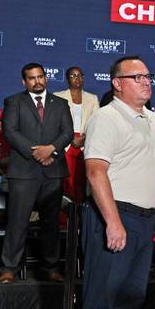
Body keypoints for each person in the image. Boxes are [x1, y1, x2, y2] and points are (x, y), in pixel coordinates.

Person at [79, 56, 155, 309]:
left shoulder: (151, 118)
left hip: (146, 221)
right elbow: (96, 172)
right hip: (115, 217)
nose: (146, 81)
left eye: (148, 76)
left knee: (129, 302)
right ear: (117, 83)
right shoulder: (107, 117)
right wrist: (113, 222)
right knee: (102, 302)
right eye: (137, 76)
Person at [0, 63, 73, 284]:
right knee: (17, 222)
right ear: (24, 82)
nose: (37, 81)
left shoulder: (60, 103)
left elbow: (67, 132)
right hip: (23, 172)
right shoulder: (14, 102)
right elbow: (10, 132)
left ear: (46, 78)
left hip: (53, 170)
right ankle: (9, 267)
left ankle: (50, 267)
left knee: (51, 223)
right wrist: (37, 152)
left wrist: (51, 149)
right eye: (31, 78)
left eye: (40, 76)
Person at [53, 66, 99, 205]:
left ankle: (78, 215)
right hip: (64, 143)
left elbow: (96, 124)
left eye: (79, 75)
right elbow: (54, 122)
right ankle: (62, 217)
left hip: (84, 143)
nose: (76, 78)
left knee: (80, 180)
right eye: (73, 76)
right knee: (63, 180)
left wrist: (84, 139)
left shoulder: (92, 98)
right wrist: (67, 137)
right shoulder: (57, 96)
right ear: (67, 79)